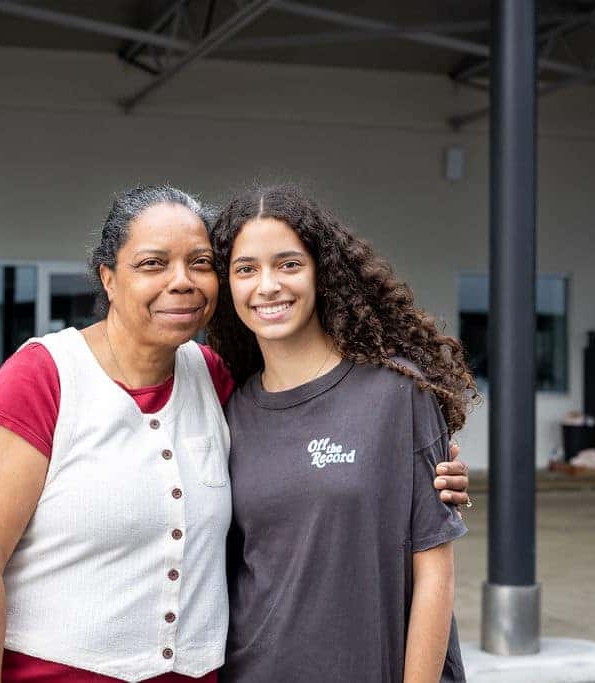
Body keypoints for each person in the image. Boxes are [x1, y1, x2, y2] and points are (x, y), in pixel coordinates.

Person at [0, 185, 473, 683]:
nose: (181, 280)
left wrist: (427, 472)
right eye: (153, 263)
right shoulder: (46, 375)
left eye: (199, 263)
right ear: (108, 278)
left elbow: (316, 446)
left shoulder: (214, 379)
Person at [207, 184, 477, 682]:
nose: (267, 285)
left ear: (321, 272)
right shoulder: (229, 413)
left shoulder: (398, 393)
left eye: (288, 264)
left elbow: (434, 573)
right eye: (246, 269)